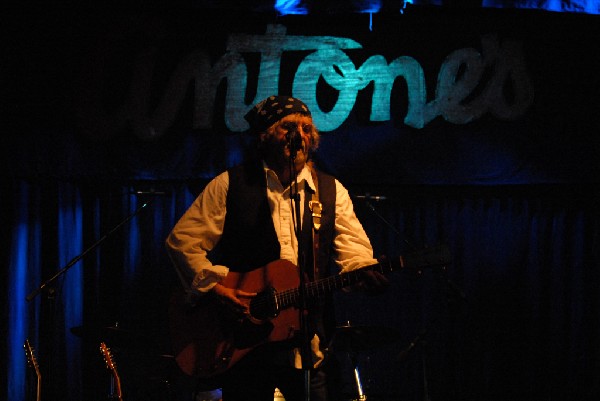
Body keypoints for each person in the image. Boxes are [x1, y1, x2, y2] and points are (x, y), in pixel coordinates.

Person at [166, 95, 388, 401]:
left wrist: (363, 270)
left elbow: (355, 253)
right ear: (264, 135)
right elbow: (182, 241)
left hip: (307, 345)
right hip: (244, 343)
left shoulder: (330, 190)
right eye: (288, 127)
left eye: (307, 128)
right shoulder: (231, 184)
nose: (300, 134)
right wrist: (217, 289)